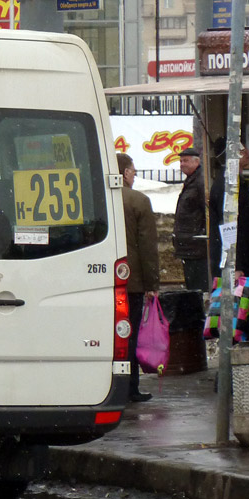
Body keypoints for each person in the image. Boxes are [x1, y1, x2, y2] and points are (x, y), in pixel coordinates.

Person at [117, 153, 159, 403]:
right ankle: (130, 387)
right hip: (130, 282)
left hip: (102, 279)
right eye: (132, 170)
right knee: (128, 334)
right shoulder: (138, 201)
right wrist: (152, 284)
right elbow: (147, 246)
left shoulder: (98, 197)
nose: (134, 174)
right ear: (124, 173)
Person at [207, 142, 249, 282]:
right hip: (237, 262)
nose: (246, 152)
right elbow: (229, 224)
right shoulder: (229, 184)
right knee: (240, 301)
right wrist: (235, 264)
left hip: (240, 257)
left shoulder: (233, 181)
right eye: (241, 149)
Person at [172, 146, 209, 293]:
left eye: (186, 161)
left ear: (196, 162)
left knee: (197, 287)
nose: (182, 164)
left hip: (196, 246)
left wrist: (199, 233)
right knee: (192, 286)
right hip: (190, 245)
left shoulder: (199, 182)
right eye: (180, 161)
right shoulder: (192, 181)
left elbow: (207, 212)